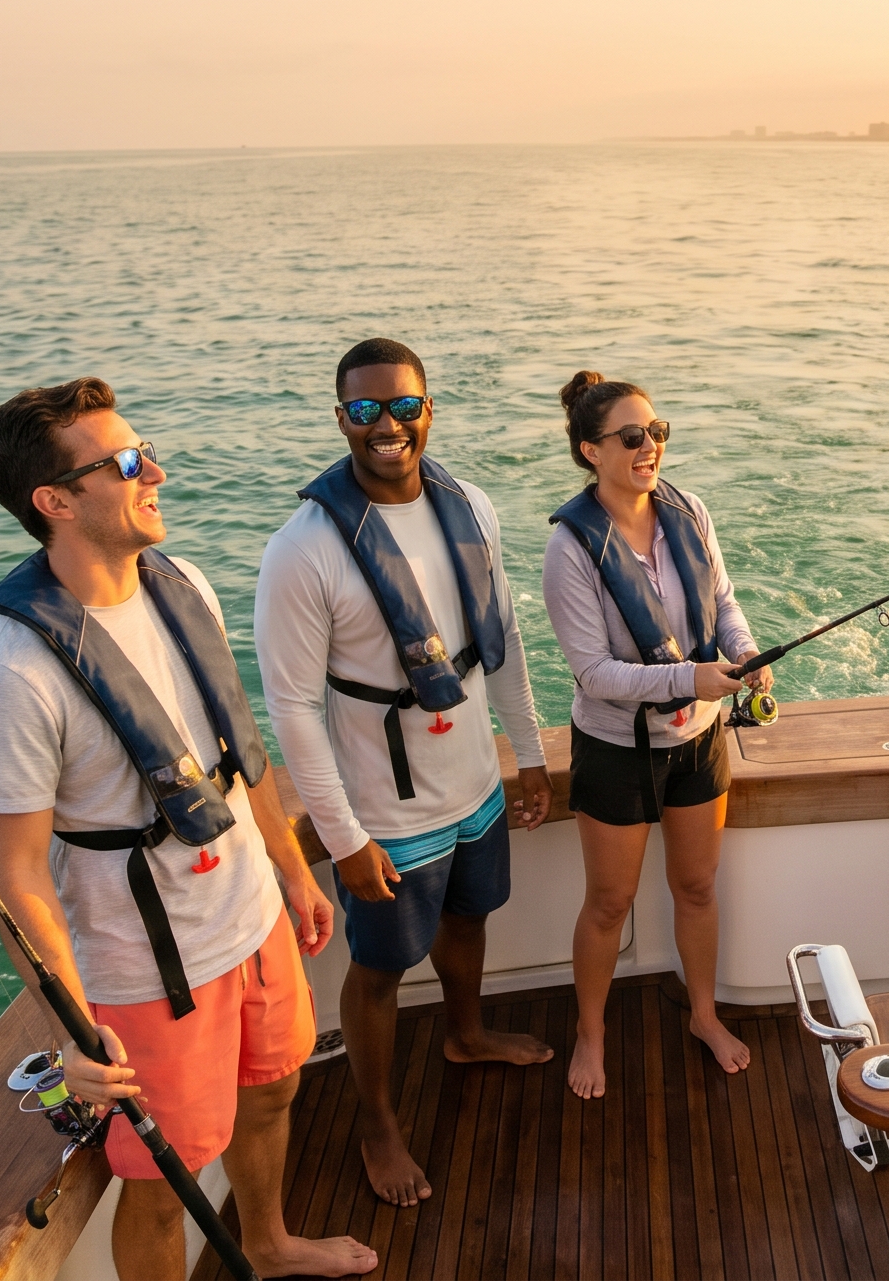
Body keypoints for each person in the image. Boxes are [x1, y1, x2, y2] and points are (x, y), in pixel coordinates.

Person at [0, 378, 374, 1281]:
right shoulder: (10, 680)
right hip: (151, 974)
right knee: (165, 1180)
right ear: (56, 501)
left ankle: (266, 1243)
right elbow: (18, 879)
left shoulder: (182, 584)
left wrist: (294, 873)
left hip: (253, 914)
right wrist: (72, 1029)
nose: (160, 472)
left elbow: (241, 751)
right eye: (129, 463)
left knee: (276, 1092)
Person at [255, 338, 556, 1208]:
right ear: (340, 418)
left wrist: (528, 754)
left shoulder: (471, 507)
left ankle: (464, 1033)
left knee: (471, 920)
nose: (386, 426)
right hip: (387, 806)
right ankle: (376, 1121)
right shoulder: (303, 550)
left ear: (430, 410)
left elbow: (501, 644)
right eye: (364, 410)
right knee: (380, 970)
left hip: (475, 782)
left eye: (403, 406)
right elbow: (292, 710)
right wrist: (345, 839)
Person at [541, 370, 766, 1097]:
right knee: (609, 903)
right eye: (632, 437)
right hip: (615, 749)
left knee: (697, 885)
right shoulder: (570, 548)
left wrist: (742, 654)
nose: (651, 448)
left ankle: (703, 1013)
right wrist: (692, 681)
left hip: (699, 741)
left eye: (658, 432)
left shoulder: (688, 509)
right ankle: (591, 1033)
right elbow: (595, 674)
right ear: (590, 451)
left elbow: (724, 604)